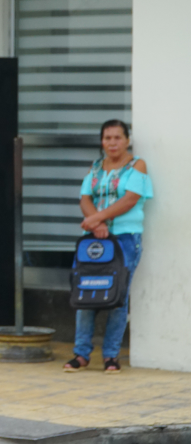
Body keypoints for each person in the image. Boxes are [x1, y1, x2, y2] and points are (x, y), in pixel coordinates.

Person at [64, 120, 153, 374]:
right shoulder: (95, 167)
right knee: (85, 290)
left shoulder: (138, 165)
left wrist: (96, 219)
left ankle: (111, 356)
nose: (112, 143)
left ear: (127, 140)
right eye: (107, 138)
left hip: (125, 238)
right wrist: (96, 224)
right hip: (95, 239)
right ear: (101, 141)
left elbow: (130, 200)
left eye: (117, 138)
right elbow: (85, 198)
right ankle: (81, 354)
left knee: (117, 295)